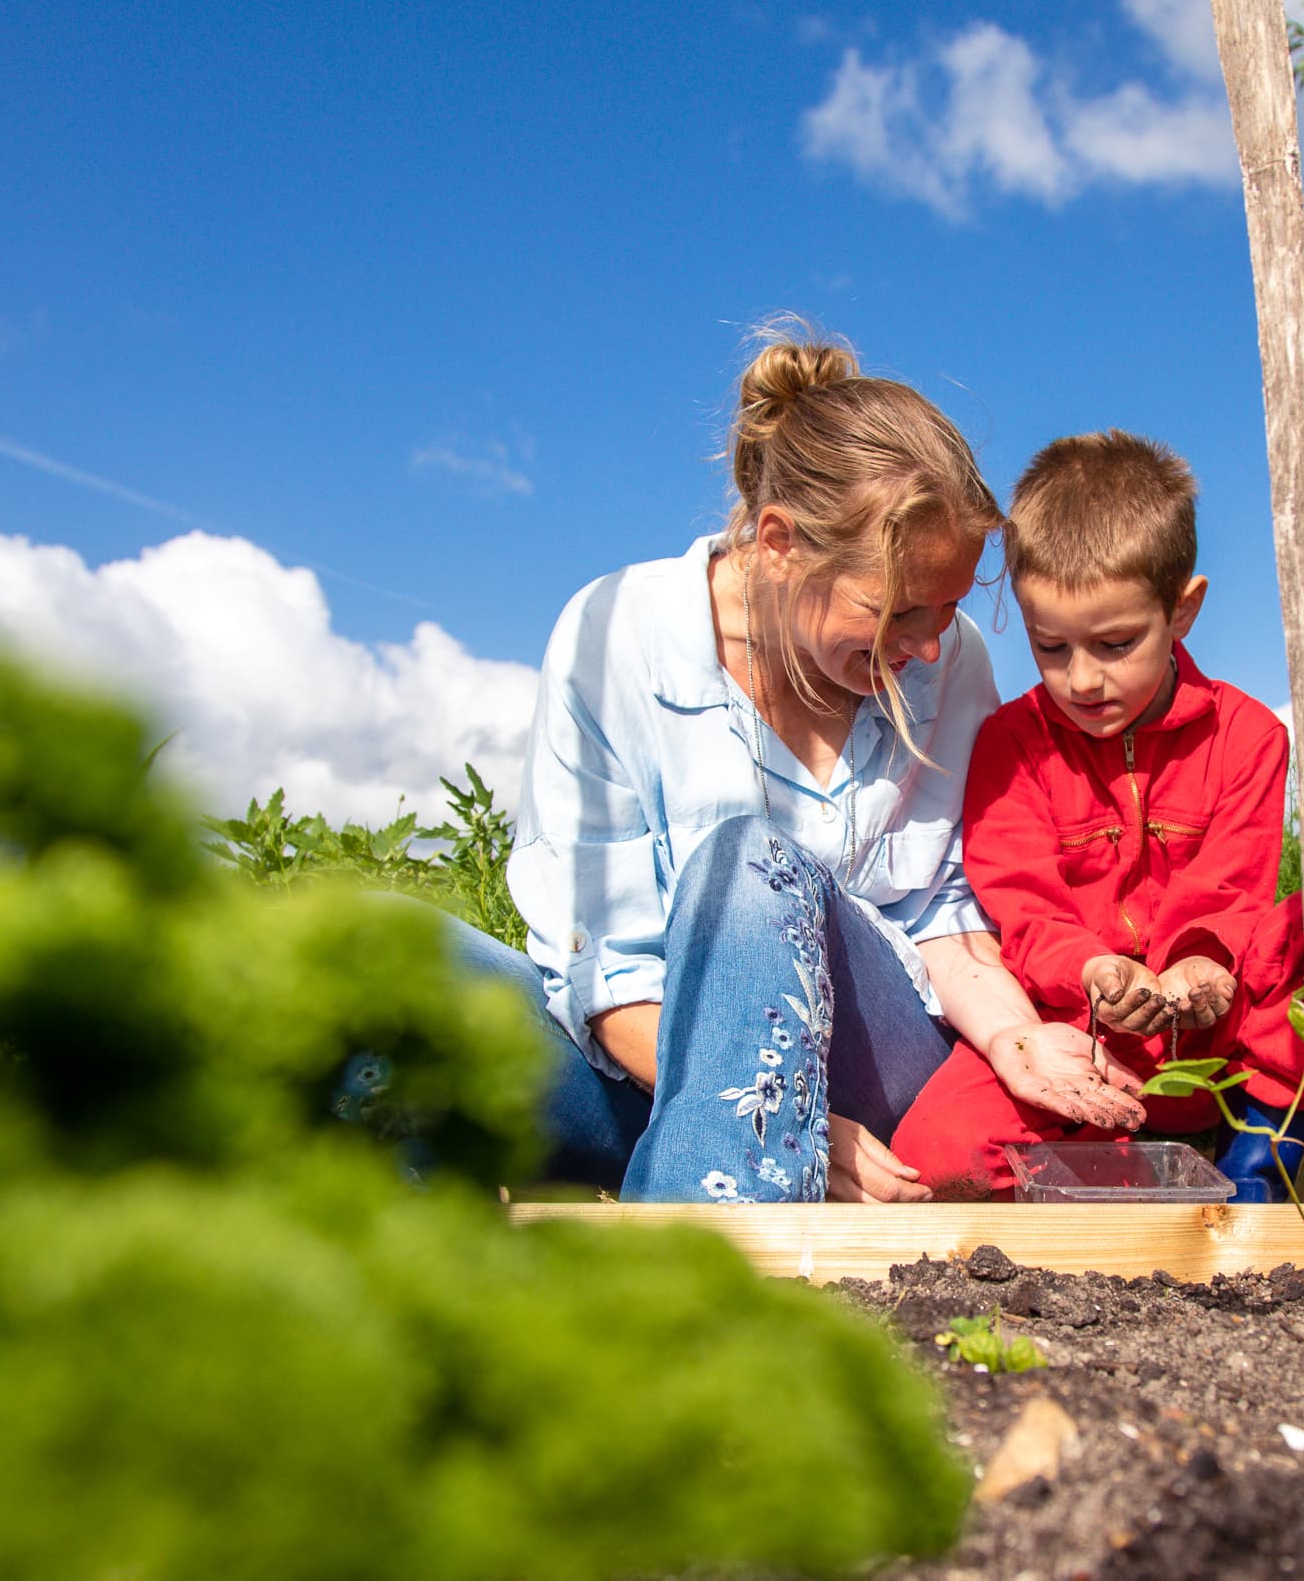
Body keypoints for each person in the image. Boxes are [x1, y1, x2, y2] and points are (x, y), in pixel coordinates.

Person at [457, 331, 1147, 1203]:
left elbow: (947, 904)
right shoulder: (614, 636)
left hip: (877, 1063)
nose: (929, 642)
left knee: (748, 862)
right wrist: (781, 1120)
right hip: (651, 1068)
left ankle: (693, 1277)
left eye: (948, 608)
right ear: (779, 544)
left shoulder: (947, 658)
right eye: (896, 610)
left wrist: (1016, 1037)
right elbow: (607, 970)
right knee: (399, 958)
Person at [890, 430, 1304, 1197]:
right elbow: (1021, 905)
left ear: (1182, 610)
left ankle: (1262, 1162)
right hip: (1081, 1042)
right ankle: (1125, 1174)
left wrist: (1203, 964)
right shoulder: (1009, 744)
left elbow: (1234, 887)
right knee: (938, 1153)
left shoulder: (1249, 735)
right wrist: (1094, 969)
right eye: (1050, 647)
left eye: (1116, 643)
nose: (1082, 679)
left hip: (1214, 1041)